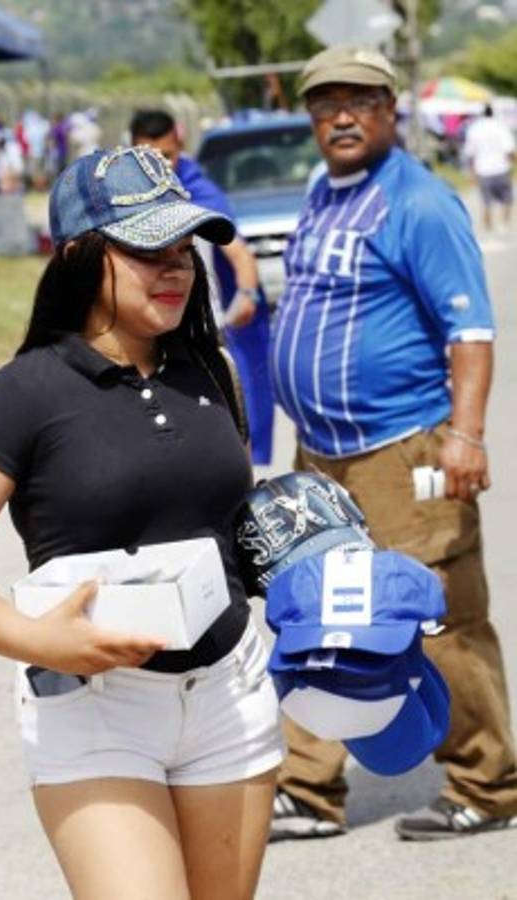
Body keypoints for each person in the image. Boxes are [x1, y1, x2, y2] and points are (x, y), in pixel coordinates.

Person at [0, 145, 283, 899]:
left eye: (184, 248)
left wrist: (306, 553)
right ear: (78, 257)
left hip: (230, 692)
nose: (175, 268)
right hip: (96, 710)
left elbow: (220, 526)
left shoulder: (212, 367)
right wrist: (37, 640)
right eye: (148, 250)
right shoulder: (19, 394)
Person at [269, 45, 517, 841]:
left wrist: (465, 436)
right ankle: (308, 787)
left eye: (360, 101)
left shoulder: (418, 202)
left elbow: (469, 332)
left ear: (389, 110)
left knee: (436, 615)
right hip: (320, 450)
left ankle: (486, 783)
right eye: (325, 103)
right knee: (314, 616)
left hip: (402, 448)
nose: (341, 116)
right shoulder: (322, 192)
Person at [130, 109, 275, 465]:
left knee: (227, 429)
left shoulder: (198, 194)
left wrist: (246, 295)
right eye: (148, 157)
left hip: (200, 330)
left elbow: (240, 255)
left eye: (167, 156)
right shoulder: (126, 195)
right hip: (147, 331)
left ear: (180, 145)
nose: (160, 167)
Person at [463, 104, 515, 233]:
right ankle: (504, 223)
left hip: (483, 169)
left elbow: (470, 153)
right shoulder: (501, 127)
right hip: (501, 168)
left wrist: (471, 172)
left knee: (486, 201)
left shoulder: (474, 129)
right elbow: (509, 149)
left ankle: (489, 226)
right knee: (507, 199)